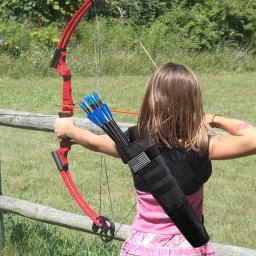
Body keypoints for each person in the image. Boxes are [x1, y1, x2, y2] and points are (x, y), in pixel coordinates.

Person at [53, 63, 256, 256]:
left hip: (141, 248)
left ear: (152, 99)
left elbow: (95, 142)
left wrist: (68, 128)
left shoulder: (132, 143)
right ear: (193, 103)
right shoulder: (202, 146)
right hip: (187, 247)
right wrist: (213, 118)